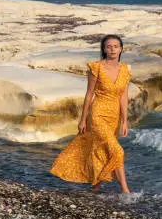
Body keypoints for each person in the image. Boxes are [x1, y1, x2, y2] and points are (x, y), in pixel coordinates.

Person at [50, 34, 131, 193]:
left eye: (115, 46)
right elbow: (89, 94)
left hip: (114, 117)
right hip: (98, 113)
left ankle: (96, 186)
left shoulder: (125, 70)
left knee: (102, 149)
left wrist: (125, 121)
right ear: (104, 49)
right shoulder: (96, 67)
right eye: (109, 46)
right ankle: (126, 191)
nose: (112, 49)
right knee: (117, 151)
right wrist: (83, 120)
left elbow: (124, 97)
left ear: (121, 49)